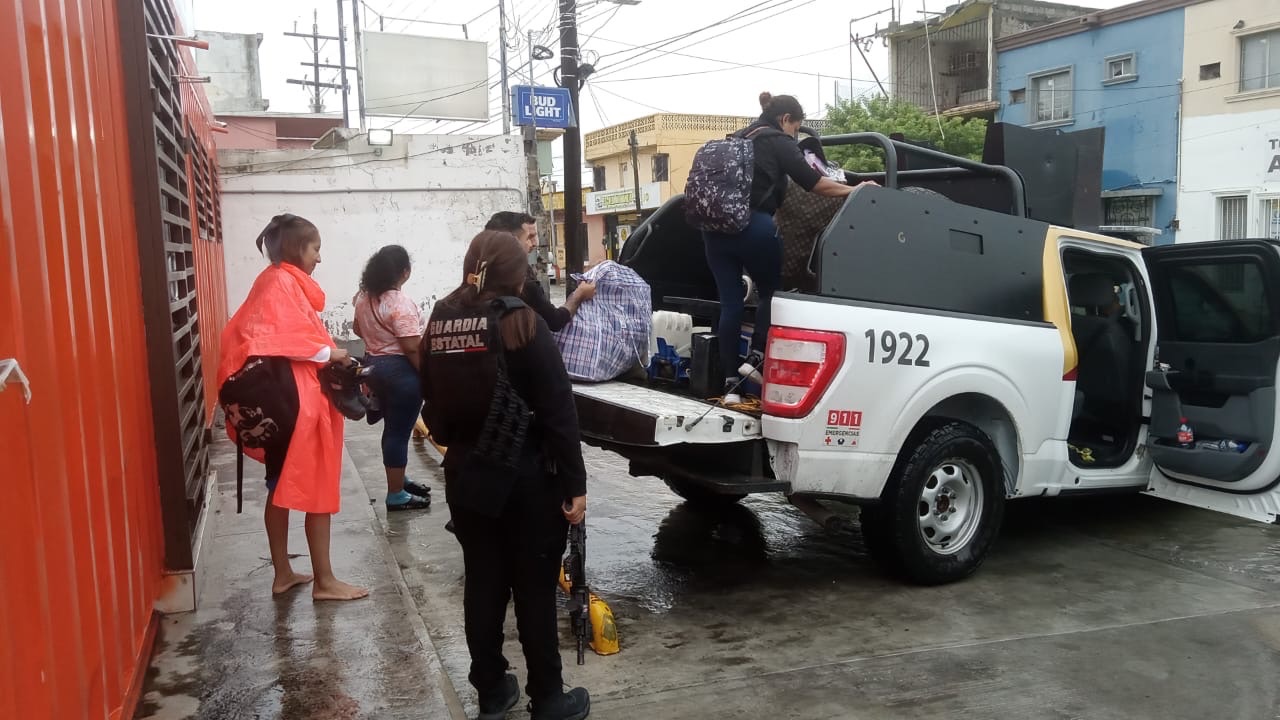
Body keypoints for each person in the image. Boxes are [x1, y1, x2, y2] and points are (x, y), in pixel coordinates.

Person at [420, 230, 591, 720]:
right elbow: (559, 410)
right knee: (534, 588)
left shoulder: (442, 320)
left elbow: (431, 401)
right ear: (517, 274)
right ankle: (549, 699)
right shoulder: (524, 323)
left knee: (484, 582)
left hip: (468, 476)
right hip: (529, 479)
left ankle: (492, 690)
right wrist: (575, 486)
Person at [217, 213, 369, 601]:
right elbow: (279, 337)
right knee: (315, 487)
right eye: (315, 248)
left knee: (278, 487)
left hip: (283, 403)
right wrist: (332, 352)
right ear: (296, 249)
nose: (319, 257)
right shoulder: (282, 283)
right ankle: (325, 581)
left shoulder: (274, 282)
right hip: (298, 406)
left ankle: (283, 573)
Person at [708, 92, 870, 404]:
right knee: (772, 291)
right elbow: (814, 183)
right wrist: (856, 189)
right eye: (797, 128)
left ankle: (730, 387)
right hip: (753, 225)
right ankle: (755, 359)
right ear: (786, 120)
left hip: (714, 230)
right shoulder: (777, 141)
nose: (796, 134)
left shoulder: (736, 138)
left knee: (731, 304)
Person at [353, 245, 432, 511]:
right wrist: (429, 376)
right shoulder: (400, 303)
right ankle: (396, 494)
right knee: (399, 431)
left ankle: (398, 478)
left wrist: (377, 340)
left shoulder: (363, 298)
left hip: (374, 367)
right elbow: (411, 346)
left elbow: (356, 328)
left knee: (393, 428)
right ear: (404, 273)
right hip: (401, 372)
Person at [485, 211, 597, 331]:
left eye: (535, 236)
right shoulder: (522, 282)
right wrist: (579, 294)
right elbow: (555, 320)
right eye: (529, 237)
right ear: (509, 241)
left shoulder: (481, 273)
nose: (535, 243)